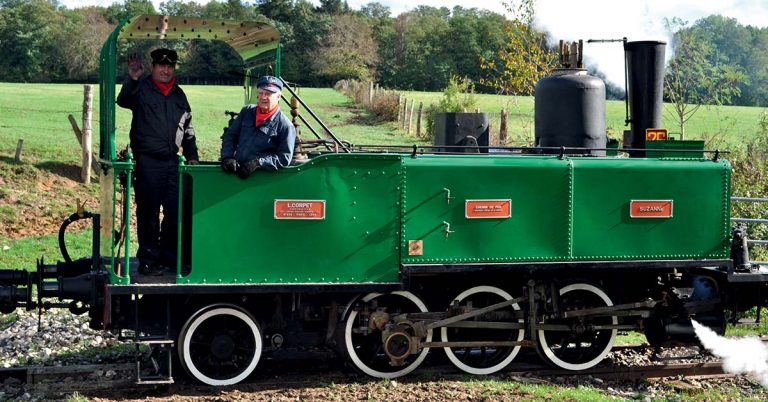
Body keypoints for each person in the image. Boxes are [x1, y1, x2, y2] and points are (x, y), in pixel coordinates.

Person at [117, 48, 199, 276]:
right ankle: (148, 260)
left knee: (175, 212)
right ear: (153, 67)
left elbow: (188, 128)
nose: (165, 70)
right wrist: (132, 78)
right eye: (161, 66)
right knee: (148, 214)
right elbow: (123, 100)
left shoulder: (179, 95)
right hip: (148, 162)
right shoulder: (142, 88)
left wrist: (192, 155)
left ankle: (169, 259)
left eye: (170, 66)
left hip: (173, 163)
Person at [220, 76, 296, 177]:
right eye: (260, 93)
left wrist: (258, 163)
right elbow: (231, 136)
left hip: (262, 178)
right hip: (237, 173)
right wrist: (227, 157)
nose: (263, 97)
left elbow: (284, 158)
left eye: (268, 94)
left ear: (279, 97)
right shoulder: (246, 112)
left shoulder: (286, 126)